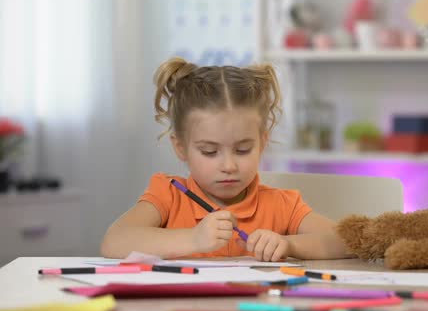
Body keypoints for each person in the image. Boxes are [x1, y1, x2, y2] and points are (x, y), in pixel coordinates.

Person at [101, 57, 351, 261]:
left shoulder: (281, 205)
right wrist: (193, 239)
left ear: (262, 143)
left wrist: (288, 245)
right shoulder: (168, 195)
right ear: (181, 147)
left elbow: (345, 241)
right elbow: (114, 242)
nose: (229, 166)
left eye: (243, 150)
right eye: (210, 152)